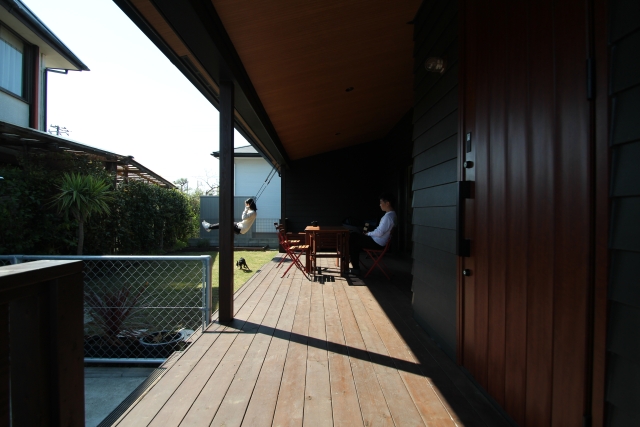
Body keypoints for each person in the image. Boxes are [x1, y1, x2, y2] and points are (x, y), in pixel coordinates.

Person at [349, 193, 397, 275]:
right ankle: (354, 262)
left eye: (381, 202)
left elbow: (379, 232)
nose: (380, 205)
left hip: (377, 242)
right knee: (354, 237)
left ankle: (355, 267)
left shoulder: (388, 217)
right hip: (379, 241)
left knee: (353, 238)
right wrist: (368, 234)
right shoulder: (392, 215)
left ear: (387, 203)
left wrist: (368, 234)